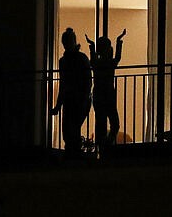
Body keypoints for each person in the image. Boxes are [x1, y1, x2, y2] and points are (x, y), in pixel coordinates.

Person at [50, 28, 92, 157]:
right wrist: (58, 105)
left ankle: (72, 155)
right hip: (73, 99)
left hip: (77, 99)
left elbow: (86, 82)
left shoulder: (70, 60)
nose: (66, 45)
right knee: (70, 131)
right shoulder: (75, 59)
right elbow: (64, 84)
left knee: (71, 130)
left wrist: (84, 98)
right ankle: (73, 154)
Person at [85, 29, 126, 157]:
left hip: (97, 97)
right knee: (114, 124)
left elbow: (93, 57)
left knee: (100, 124)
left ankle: (101, 148)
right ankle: (107, 146)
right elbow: (118, 57)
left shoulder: (96, 63)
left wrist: (91, 46)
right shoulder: (110, 63)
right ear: (108, 49)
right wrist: (119, 41)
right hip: (108, 96)